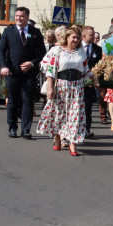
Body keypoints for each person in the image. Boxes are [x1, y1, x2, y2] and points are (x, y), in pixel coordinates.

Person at [37, 25, 91, 156]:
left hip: (77, 86)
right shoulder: (57, 50)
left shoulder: (81, 52)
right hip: (61, 85)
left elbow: (85, 69)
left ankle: (73, 143)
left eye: (78, 38)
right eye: (73, 37)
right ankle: (57, 137)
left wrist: (94, 76)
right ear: (67, 37)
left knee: (75, 115)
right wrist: (50, 87)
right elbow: (50, 70)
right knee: (59, 113)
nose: (76, 40)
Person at [0, 8, 46, 139]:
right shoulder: (8, 31)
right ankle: (12, 128)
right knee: (13, 100)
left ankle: (26, 129)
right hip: (12, 72)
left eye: (21, 16)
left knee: (27, 101)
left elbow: (42, 52)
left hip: (29, 73)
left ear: (27, 17)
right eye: (17, 16)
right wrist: (4, 66)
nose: (18, 18)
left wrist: (32, 63)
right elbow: (1, 51)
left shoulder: (35, 32)